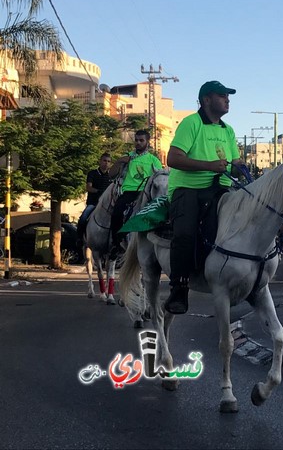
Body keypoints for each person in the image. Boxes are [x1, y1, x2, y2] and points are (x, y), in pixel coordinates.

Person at [164, 81, 243, 315]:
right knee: (186, 234)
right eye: (222, 96)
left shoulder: (227, 130)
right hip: (188, 189)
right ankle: (179, 287)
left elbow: (235, 162)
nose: (227, 100)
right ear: (207, 100)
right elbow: (173, 159)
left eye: (228, 96)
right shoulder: (192, 123)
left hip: (221, 191)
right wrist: (209, 166)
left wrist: (240, 167)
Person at [109, 130, 162, 259]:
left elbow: (159, 179)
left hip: (147, 194)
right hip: (129, 192)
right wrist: (120, 161)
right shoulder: (127, 157)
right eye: (136, 140)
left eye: (141, 140)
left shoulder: (154, 160)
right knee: (116, 213)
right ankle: (116, 245)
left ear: (147, 142)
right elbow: (111, 174)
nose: (138, 143)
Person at [76, 153, 112, 248]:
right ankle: (79, 238)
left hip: (107, 205)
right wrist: (99, 191)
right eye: (104, 160)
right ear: (100, 161)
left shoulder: (111, 176)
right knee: (83, 218)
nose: (106, 163)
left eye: (108, 161)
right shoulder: (92, 173)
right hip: (93, 203)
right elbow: (88, 187)